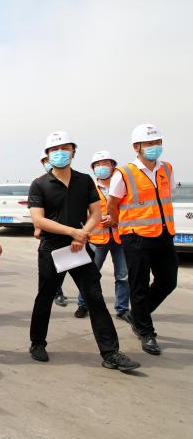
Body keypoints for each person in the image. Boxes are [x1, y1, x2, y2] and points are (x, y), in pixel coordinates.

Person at [27, 131, 139, 372]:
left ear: (73, 152)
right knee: (45, 297)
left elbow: (96, 213)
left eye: (65, 148)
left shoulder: (84, 180)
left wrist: (83, 234)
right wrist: (73, 233)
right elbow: (39, 220)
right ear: (47, 154)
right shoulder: (39, 184)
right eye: (54, 149)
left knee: (94, 297)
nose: (60, 153)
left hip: (80, 248)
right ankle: (37, 343)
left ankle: (110, 352)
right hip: (52, 249)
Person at [106, 124, 177, 356]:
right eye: (150, 143)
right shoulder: (124, 173)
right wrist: (120, 225)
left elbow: (166, 197)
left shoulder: (167, 168)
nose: (155, 146)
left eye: (158, 142)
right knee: (139, 287)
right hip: (135, 237)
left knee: (168, 281)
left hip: (164, 234)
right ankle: (146, 333)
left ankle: (136, 315)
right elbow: (112, 204)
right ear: (136, 147)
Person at [73, 151, 130, 321]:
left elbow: (129, 209)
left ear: (113, 166)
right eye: (97, 165)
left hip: (120, 237)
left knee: (123, 276)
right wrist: (98, 219)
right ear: (93, 168)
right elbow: (81, 212)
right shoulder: (88, 187)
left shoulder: (122, 185)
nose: (101, 167)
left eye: (105, 163)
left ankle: (122, 309)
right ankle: (83, 304)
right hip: (96, 239)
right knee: (89, 274)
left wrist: (115, 219)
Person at [37, 152, 68, 307]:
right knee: (52, 269)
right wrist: (38, 227)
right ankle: (57, 293)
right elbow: (37, 211)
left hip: (72, 233)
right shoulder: (40, 183)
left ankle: (83, 302)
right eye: (46, 161)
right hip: (50, 235)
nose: (49, 163)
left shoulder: (74, 181)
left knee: (68, 266)